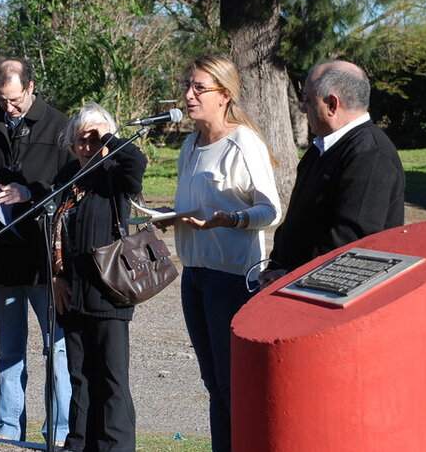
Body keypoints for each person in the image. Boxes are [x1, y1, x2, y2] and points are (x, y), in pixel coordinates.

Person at [159, 55, 281, 452]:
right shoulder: (190, 145)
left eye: (199, 88)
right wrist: (169, 218)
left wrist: (231, 219)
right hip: (193, 274)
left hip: (229, 278)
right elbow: (192, 205)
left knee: (232, 385)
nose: (188, 94)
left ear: (224, 95)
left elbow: (270, 210)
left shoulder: (242, 141)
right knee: (212, 382)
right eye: (187, 85)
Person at [0, 58, 73, 445]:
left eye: (14, 99)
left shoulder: (61, 126)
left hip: (43, 255)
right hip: (2, 251)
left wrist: (30, 193)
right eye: (1, 99)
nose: (8, 107)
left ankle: (59, 430)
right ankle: (9, 427)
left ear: (30, 86)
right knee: (9, 349)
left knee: (56, 348)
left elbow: (71, 182)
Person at [52, 102, 147, 452]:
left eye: (95, 138)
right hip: (71, 291)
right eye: (82, 138)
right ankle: (78, 445)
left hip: (109, 290)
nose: (88, 146)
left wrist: (108, 137)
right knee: (79, 376)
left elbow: (135, 163)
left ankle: (115, 447)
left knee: (110, 378)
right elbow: (52, 231)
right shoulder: (66, 178)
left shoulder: (115, 174)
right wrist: (56, 276)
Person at [258, 60, 404, 287]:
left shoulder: (370, 154)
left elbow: (351, 240)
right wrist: (277, 264)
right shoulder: (321, 148)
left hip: (328, 294)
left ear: (332, 104)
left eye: (307, 99)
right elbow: (299, 216)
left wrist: (292, 274)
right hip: (298, 286)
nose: (302, 108)